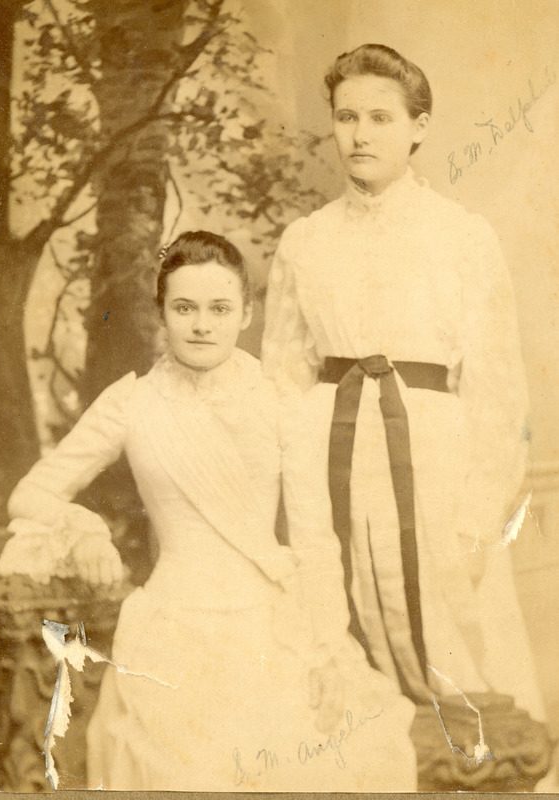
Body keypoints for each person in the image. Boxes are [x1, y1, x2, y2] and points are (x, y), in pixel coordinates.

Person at [0, 230, 416, 791]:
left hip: (274, 629)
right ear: (161, 314)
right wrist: (87, 534)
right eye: (184, 308)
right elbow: (31, 494)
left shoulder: (279, 402)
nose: (201, 325)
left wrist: (326, 653)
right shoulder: (132, 402)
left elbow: (316, 542)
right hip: (171, 634)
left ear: (246, 314)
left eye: (219, 309)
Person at [261, 44, 545, 720]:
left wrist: (480, 505)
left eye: (381, 118)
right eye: (346, 116)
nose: (359, 134)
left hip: (432, 455)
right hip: (328, 449)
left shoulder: (461, 236)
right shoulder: (305, 240)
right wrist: (292, 469)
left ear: (418, 126)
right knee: (342, 602)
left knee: (453, 617)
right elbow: (281, 371)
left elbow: (496, 385)